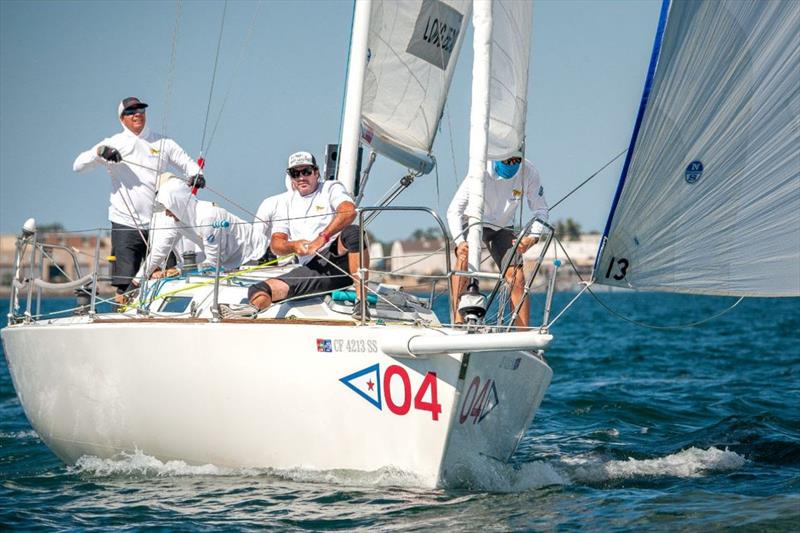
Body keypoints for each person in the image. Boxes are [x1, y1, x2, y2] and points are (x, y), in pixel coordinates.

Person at [73, 97, 202, 303]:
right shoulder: (113, 142)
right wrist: (99, 152)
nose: (137, 114)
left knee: (166, 276)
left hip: (159, 221)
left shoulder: (163, 142)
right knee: (125, 285)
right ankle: (122, 317)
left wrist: (197, 174)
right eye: (131, 111)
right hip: (125, 222)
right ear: (121, 118)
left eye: (140, 109)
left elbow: (186, 162)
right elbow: (78, 166)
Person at [246, 151, 369, 316]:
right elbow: (277, 245)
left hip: (341, 258)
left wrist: (322, 238)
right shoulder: (286, 203)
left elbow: (348, 211)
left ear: (316, 172)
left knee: (354, 233)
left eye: (306, 171)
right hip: (315, 270)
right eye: (295, 173)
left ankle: (362, 303)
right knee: (259, 289)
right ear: (291, 177)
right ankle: (251, 311)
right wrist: (294, 246)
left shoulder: (330, 188)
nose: (301, 177)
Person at [447, 154, 549, 327]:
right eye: (507, 161)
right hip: (471, 220)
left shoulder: (529, 171)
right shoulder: (480, 170)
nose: (512, 164)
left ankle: (522, 334)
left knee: (516, 275)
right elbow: (454, 210)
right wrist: (459, 242)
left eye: (516, 160)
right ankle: (458, 323)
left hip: (502, 226)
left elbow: (541, 209)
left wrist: (533, 237)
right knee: (463, 257)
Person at [147, 175, 270, 276]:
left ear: (178, 204)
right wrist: (138, 281)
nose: (167, 214)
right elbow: (160, 252)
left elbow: (212, 262)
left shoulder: (207, 217)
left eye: (168, 208)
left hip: (258, 258)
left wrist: (178, 270)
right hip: (233, 264)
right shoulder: (182, 222)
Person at [251, 175, 295, 265]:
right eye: (296, 174)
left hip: (306, 262)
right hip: (272, 263)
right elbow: (257, 234)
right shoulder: (271, 202)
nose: (301, 178)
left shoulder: (316, 204)